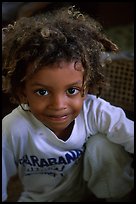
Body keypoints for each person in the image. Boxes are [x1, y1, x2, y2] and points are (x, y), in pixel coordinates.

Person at [2, 5, 134, 202]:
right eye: (42, 92)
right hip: (40, 199)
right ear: (23, 93)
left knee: (103, 146)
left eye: (72, 90)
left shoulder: (94, 111)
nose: (58, 104)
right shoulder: (13, 128)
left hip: (89, 191)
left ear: (86, 88)